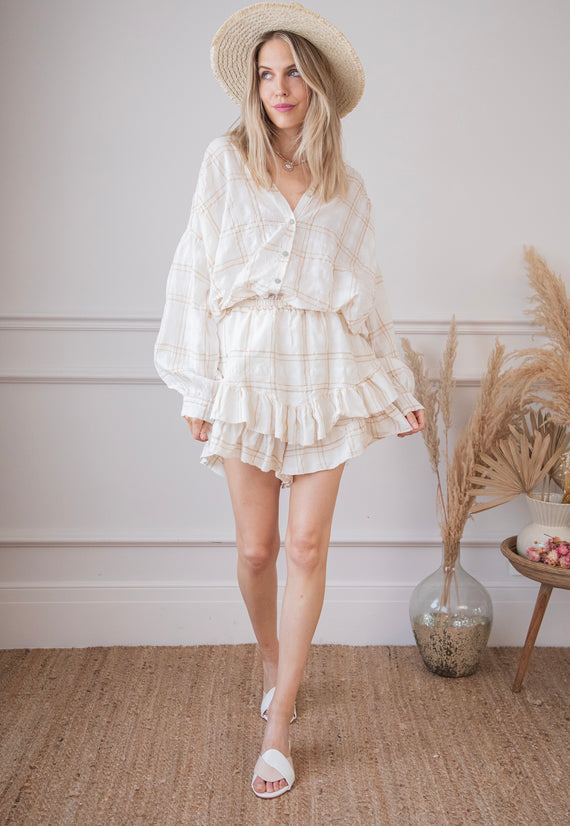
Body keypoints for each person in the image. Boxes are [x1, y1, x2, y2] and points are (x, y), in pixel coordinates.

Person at [154, 1, 425, 799]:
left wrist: (397, 386)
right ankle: (273, 659)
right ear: (254, 85)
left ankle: (279, 726)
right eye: (266, 74)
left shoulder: (349, 188)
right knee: (256, 551)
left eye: (293, 73)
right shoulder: (224, 162)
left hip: (324, 375)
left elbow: (367, 296)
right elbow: (194, 271)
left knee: (306, 547)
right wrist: (198, 386)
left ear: (316, 86)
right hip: (246, 373)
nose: (278, 87)